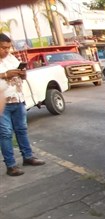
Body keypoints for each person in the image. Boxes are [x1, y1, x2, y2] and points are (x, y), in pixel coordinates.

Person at [0, 33, 45, 176]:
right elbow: (5, 75)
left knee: (22, 130)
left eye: (8, 48)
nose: (6, 51)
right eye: (2, 48)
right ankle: (11, 165)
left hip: (18, 99)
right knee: (6, 133)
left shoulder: (11, 58)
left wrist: (22, 74)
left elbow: (21, 74)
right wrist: (5, 74)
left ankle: (28, 157)